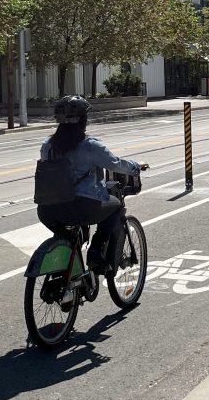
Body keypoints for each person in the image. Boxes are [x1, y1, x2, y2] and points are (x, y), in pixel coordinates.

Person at [36, 96, 148, 275]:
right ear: (84, 120)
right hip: (82, 208)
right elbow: (115, 163)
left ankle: (67, 260)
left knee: (68, 236)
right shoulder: (90, 146)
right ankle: (95, 251)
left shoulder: (47, 145)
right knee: (116, 206)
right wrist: (136, 167)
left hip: (47, 211)